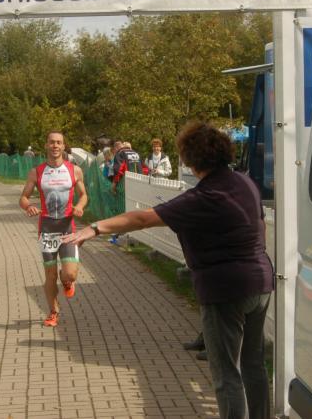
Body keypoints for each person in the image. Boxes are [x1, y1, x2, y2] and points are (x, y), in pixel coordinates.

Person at [63, 121, 274, 419]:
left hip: (225, 288)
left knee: (227, 374)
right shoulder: (245, 183)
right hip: (260, 282)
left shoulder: (203, 197)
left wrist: (95, 228)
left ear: (190, 159)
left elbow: (142, 219)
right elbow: (260, 225)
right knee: (253, 364)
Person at [20, 131, 88, 327]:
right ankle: (53, 311)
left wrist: (80, 206)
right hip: (47, 229)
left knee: (70, 274)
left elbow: (84, 195)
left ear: (63, 146)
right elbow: (23, 197)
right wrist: (28, 206)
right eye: (52, 142)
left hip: (68, 229)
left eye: (59, 142)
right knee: (49, 276)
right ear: (46, 145)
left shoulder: (74, 170)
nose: (55, 146)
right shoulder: (36, 172)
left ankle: (66, 280)